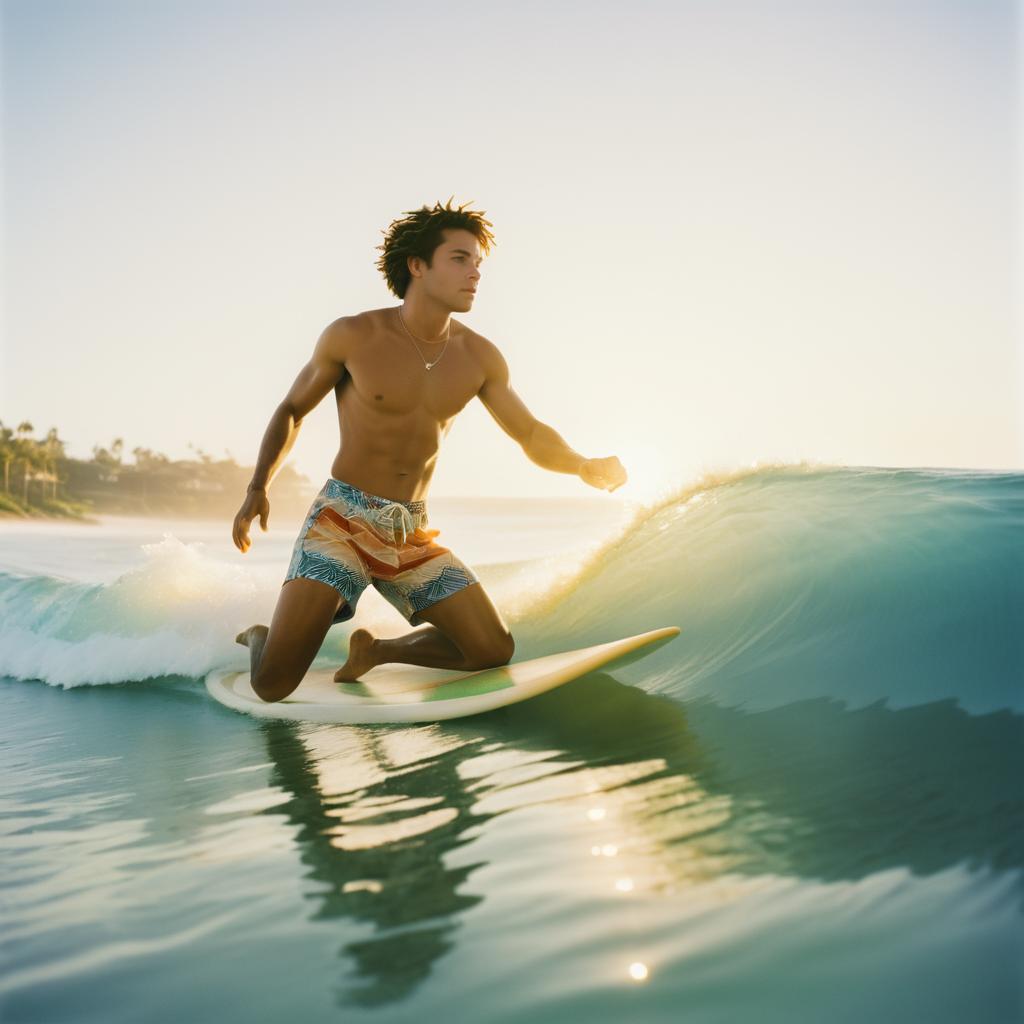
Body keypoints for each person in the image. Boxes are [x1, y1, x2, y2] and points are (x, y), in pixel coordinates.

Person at [232, 197, 627, 701]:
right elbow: (291, 409)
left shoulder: (478, 356)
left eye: (479, 263)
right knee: (272, 685)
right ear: (417, 266)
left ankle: (378, 651)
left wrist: (581, 465)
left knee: (491, 649)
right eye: (460, 259)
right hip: (341, 523)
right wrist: (257, 487)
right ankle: (262, 639)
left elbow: (528, 433)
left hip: (409, 532)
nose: (475, 274)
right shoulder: (354, 335)